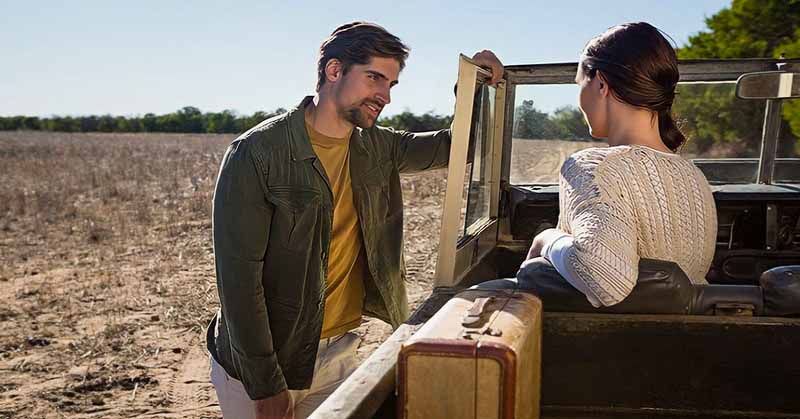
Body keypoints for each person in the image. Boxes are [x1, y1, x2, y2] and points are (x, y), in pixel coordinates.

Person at [206, 21, 503, 419]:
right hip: (261, 365)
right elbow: (238, 284)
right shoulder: (256, 154)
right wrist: (266, 385)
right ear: (334, 71)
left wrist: (473, 88)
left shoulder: (378, 146)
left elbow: (458, 147)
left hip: (339, 351)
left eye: (391, 84)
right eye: (374, 78)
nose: (384, 96)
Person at [525, 22, 717, 307]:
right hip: (690, 346)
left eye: (580, 83)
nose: (579, 100)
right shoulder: (696, 178)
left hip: (604, 347)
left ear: (601, 83)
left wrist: (546, 239)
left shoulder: (594, 168)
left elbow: (606, 279)